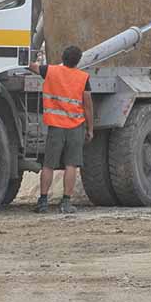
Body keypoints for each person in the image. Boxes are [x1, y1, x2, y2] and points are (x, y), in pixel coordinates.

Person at [30, 45, 94, 214]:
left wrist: (25, 55)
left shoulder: (50, 71)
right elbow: (88, 106)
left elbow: (32, 67)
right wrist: (90, 129)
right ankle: (66, 203)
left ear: (62, 57)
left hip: (56, 126)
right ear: (78, 60)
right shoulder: (83, 78)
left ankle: (43, 202)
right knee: (71, 165)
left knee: (48, 165)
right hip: (75, 127)